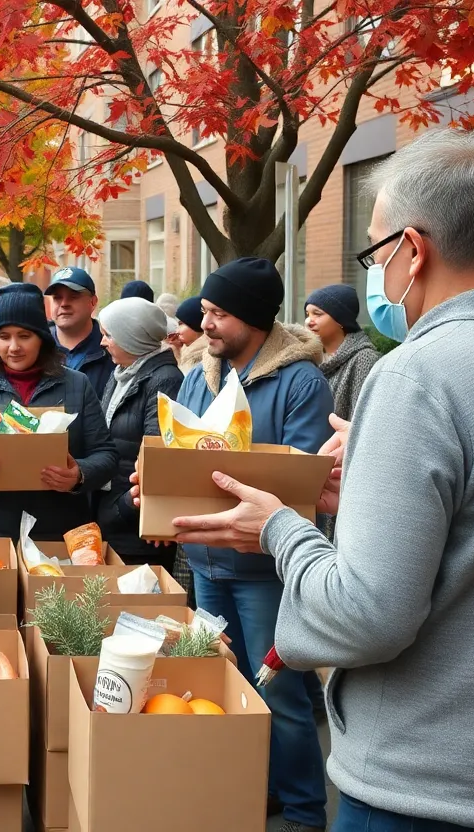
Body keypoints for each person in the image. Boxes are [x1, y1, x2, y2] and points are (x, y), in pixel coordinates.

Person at [160, 129, 474, 832]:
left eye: (374, 250)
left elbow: (366, 615)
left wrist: (280, 530)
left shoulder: (417, 375)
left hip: (429, 784)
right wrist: (366, 488)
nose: (376, 272)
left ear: (413, 250)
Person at [171, 257, 334, 832]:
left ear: (256, 318)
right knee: (228, 683)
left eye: (219, 314)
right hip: (208, 563)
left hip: (266, 568)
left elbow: (302, 477)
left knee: (281, 695)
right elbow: (178, 452)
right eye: (206, 311)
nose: (205, 323)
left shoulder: (301, 381)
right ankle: (255, 789)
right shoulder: (198, 374)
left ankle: (304, 812)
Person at [0, 282, 117, 540]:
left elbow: (106, 455)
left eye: (24, 336)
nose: (13, 347)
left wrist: (78, 474)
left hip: (59, 530)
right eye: (4, 336)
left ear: (42, 338)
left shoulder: (76, 384)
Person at [93, 297, 183, 574]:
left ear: (132, 338)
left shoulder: (165, 379)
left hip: (138, 527)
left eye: (109, 335)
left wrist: (121, 511)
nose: (102, 343)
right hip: (117, 516)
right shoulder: (122, 373)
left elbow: (159, 460)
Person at [304, 284, 380, 420]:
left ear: (340, 320)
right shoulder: (307, 359)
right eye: (307, 314)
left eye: (317, 314)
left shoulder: (364, 359)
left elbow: (363, 420)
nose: (309, 321)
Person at [44, 267, 114, 397]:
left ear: (93, 302)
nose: (64, 304)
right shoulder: (37, 349)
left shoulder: (112, 350)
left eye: (73, 297)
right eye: (57, 298)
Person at [174, 294, 209, 373]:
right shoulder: (187, 353)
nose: (177, 331)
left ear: (196, 325)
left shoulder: (203, 359)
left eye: (181, 324)